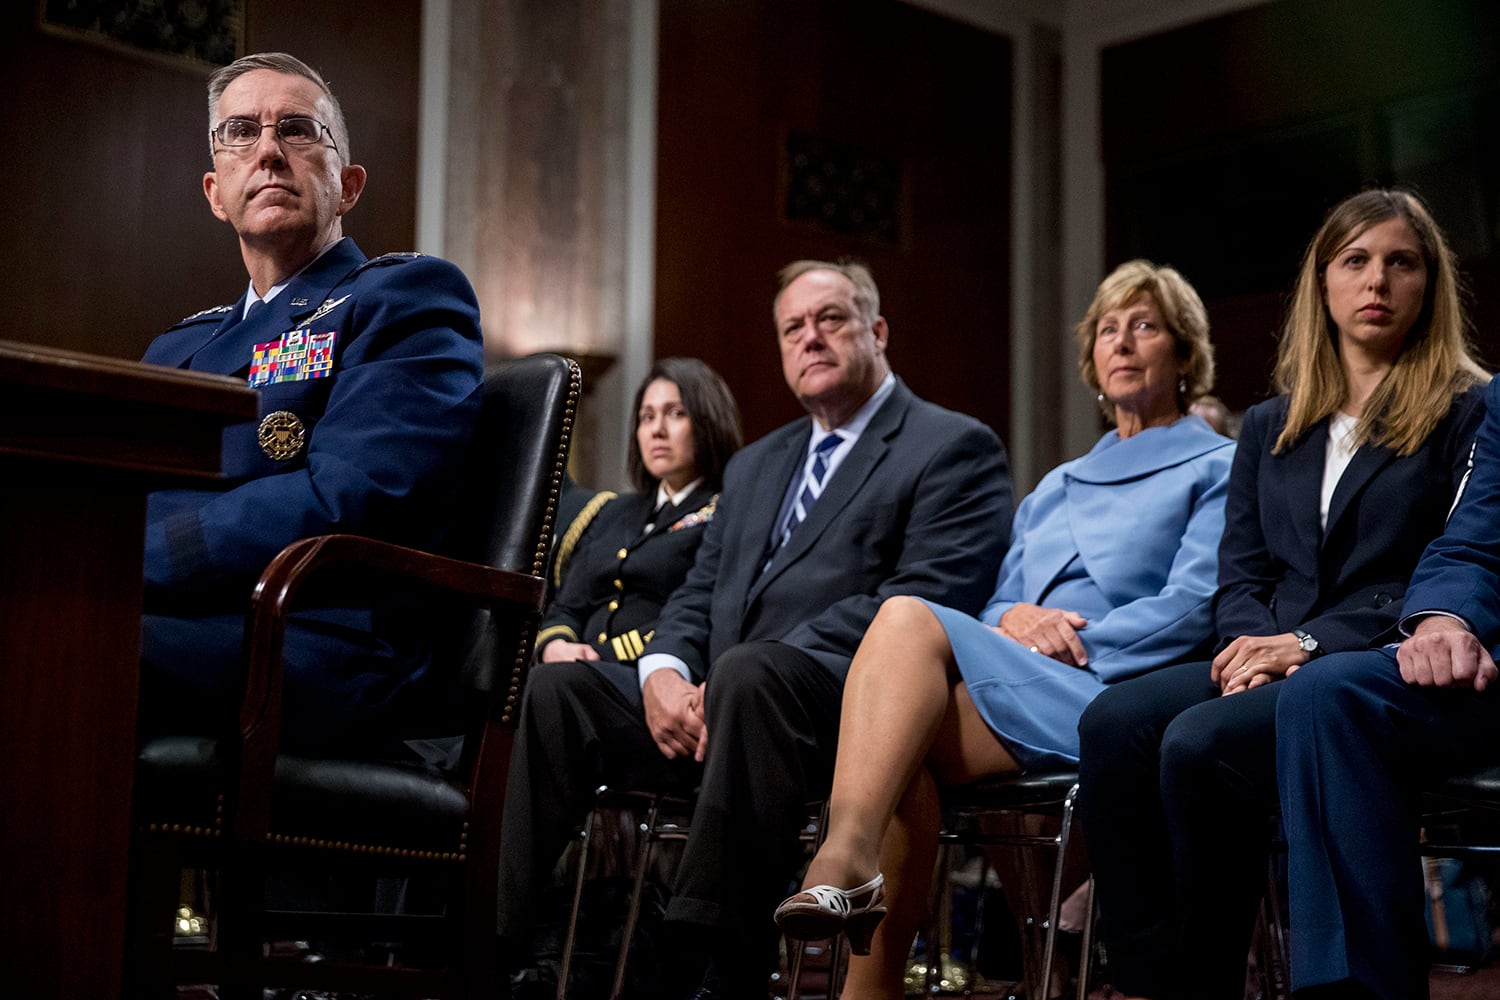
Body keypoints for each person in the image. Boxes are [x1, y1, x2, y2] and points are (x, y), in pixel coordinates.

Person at [497, 259, 1014, 999]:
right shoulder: (757, 465)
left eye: (830, 319)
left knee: (751, 675)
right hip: (722, 700)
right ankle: (493, 946)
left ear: (878, 330)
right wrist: (665, 674)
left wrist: (738, 672)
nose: (810, 338)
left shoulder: (952, 446)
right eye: (792, 328)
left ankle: (709, 965)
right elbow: (700, 590)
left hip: (844, 709)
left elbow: (926, 601)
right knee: (559, 692)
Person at [775, 259, 1236, 997]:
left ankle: (843, 859)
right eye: (1107, 330)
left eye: (1144, 326)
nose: (1121, 343)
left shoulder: (1219, 466)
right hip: (1030, 679)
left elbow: (1194, 604)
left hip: (1122, 689)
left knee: (903, 618)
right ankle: (871, 981)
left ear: (1184, 353)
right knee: (898, 752)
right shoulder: (1055, 486)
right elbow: (998, 608)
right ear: (1091, 360)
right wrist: (1016, 621)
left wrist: (1069, 642)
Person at [1076, 189, 1489, 1000]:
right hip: (1266, 650)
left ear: (1429, 285)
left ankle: (1205, 978)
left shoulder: (1465, 410)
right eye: (1355, 261)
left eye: (1401, 263)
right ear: (1322, 284)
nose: (1377, 281)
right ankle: (1141, 979)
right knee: (1114, 722)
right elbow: (1243, 570)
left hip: (1371, 656)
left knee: (1198, 744)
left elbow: (1441, 563)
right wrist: (1250, 651)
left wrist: (1304, 647)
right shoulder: (1270, 424)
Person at [137, 52, 485, 753]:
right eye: (240, 132)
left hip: (319, 636)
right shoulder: (176, 348)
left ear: (348, 183)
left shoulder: (402, 299)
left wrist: (138, 554)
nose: (268, 150)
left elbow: (354, 492)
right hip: (185, 616)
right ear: (214, 189)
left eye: (298, 130)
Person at [499, 357, 740, 958]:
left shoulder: (727, 511)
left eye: (676, 414)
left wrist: (594, 656)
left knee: (551, 695)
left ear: (706, 422)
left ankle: (495, 936)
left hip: (651, 687)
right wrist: (555, 642)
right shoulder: (614, 514)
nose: (657, 430)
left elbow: (696, 617)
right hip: (580, 677)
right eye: (646, 416)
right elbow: (566, 602)